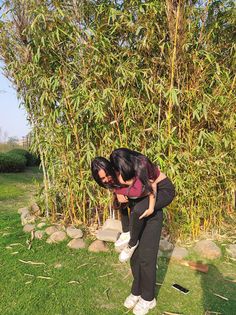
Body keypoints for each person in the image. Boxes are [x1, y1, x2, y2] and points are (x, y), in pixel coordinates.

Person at [110, 148, 175, 315]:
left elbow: (152, 186)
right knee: (136, 257)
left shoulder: (142, 163)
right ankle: (136, 291)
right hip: (143, 197)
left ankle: (148, 298)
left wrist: (152, 207)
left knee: (147, 255)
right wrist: (118, 193)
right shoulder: (117, 173)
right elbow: (118, 189)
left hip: (161, 191)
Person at [91, 157, 131, 250]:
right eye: (102, 178)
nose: (106, 179)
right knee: (120, 203)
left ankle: (134, 232)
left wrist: (122, 191)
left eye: (107, 175)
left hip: (136, 188)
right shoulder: (104, 181)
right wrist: (118, 192)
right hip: (121, 187)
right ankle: (126, 231)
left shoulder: (120, 167)